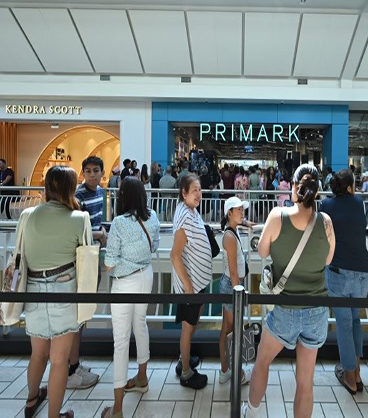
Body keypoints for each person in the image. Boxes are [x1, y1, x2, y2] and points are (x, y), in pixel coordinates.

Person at [243, 165, 334, 418]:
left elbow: (262, 252)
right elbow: (328, 259)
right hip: (317, 311)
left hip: (285, 310)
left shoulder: (277, 216)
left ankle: (251, 412)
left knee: (262, 360)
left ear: (294, 187)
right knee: (306, 381)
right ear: (316, 191)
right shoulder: (326, 222)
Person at [23, 166, 88, 418]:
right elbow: (86, 257)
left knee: (38, 353)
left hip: (33, 290)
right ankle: (54, 415)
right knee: (59, 359)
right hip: (65, 289)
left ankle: (31, 401)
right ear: (71, 188)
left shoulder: (28, 215)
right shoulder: (79, 218)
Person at [102, 177, 160, 418]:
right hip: (146, 275)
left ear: (123, 195)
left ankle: (117, 409)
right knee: (141, 326)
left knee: (121, 341)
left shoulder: (118, 223)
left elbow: (109, 264)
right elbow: (154, 247)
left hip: (124, 284)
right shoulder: (153, 216)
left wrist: (111, 247)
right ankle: (142, 377)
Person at [320, 169, 368, 394]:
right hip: (362, 271)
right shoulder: (359, 202)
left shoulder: (326, 206)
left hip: (339, 271)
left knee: (344, 324)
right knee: (356, 320)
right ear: (350, 186)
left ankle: (349, 376)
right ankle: (357, 372)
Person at [170, 174, 212, 389]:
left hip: (197, 282)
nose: (199, 194)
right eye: (194, 190)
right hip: (191, 286)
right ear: (184, 193)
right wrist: (188, 287)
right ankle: (186, 372)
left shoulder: (190, 211)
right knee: (188, 328)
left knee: (193, 323)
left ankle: (183, 360)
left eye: (200, 189)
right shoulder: (185, 217)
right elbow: (174, 255)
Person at [68, 157, 105, 389]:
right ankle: (71, 368)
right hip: (83, 258)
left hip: (93, 255)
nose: (92, 175)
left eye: (95, 171)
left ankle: (75, 363)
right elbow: (81, 229)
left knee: (84, 314)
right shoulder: (79, 196)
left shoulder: (100, 191)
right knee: (78, 314)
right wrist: (100, 235)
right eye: (88, 171)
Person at [218, 197, 254, 385]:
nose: (242, 212)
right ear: (229, 213)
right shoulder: (230, 237)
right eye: (238, 210)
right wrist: (238, 295)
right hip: (232, 285)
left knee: (228, 329)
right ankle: (233, 372)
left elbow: (238, 223)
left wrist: (247, 223)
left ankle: (226, 370)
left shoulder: (233, 229)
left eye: (243, 209)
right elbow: (233, 271)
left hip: (231, 284)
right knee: (231, 331)